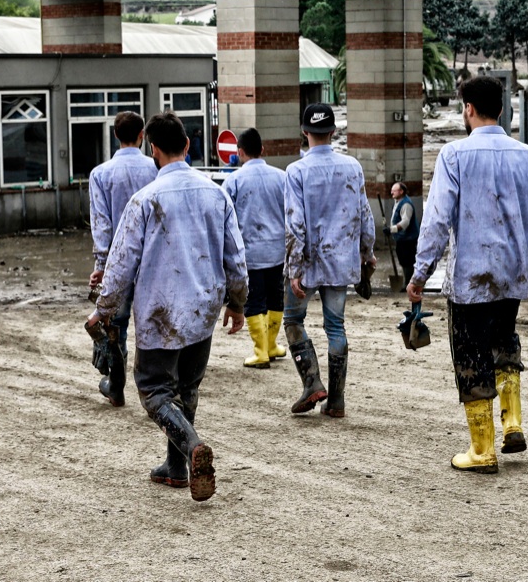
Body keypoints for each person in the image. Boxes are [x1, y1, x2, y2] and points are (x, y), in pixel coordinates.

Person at [87, 112, 248, 502]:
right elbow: (237, 260)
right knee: (187, 388)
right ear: (189, 146)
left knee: (155, 390)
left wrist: (103, 310)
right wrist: (238, 303)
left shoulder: (146, 200)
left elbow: (122, 264)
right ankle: (176, 468)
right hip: (204, 308)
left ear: (153, 149)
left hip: (161, 310)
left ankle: (192, 450)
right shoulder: (217, 193)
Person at [407, 76, 528, 473]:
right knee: (504, 341)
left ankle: (482, 450)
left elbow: (438, 219)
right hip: (513, 276)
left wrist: (420, 273)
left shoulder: (454, 155)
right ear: (503, 110)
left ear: (469, 109)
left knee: (471, 355)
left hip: (472, 278)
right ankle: (512, 422)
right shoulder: (527, 156)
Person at [283, 103, 376, 418]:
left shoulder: (296, 171)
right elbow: (364, 215)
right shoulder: (352, 167)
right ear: (333, 131)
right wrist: (367, 254)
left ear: (304, 132)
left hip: (309, 262)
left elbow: (295, 224)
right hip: (340, 262)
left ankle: (312, 382)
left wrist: (294, 269)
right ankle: (336, 400)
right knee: (335, 326)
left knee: (294, 321)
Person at [87, 111, 156, 405]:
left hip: (119, 263)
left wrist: (101, 266)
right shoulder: (156, 169)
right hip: (153, 261)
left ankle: (116, 386)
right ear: (142, 135)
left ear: (115, 136)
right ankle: (156, 388)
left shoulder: (101, 174)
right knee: (154, 324)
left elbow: (102, 225)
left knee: (117, 326)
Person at [222, 128, 288, 368]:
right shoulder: (282, 177)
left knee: (254, 301)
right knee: (275, 298)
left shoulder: (233, 181)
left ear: (239, 152)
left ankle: (260, 350)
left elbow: (226, 221)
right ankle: (271, 345)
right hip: (277, 251)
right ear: (262, 149)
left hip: (249, 254)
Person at [386, 181, 420, 290]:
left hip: (408, 239)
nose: (391, 192)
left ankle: (409, 283)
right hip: (402, 238)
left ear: (401, 191)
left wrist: (392, 229)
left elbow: (405, 222)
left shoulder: (406, 204)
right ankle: (408, 282)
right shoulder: (397, 202)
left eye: (394, 190)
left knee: (408, 261)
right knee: (403, 260)